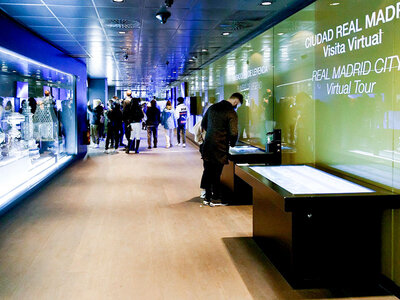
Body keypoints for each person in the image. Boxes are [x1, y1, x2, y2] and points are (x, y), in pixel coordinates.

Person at [200, 93, 243, 207]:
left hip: (207, 145)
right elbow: (234, 132)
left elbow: (203, 124)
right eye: (237, 104)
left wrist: (211, 133)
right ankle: (216, 199)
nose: (236, 106)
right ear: (235, 101)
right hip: (220, 146)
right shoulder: (231, 112)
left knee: (208, 170)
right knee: (216, 173)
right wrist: (232, 143)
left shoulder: (212, 108)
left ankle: (207, 197)